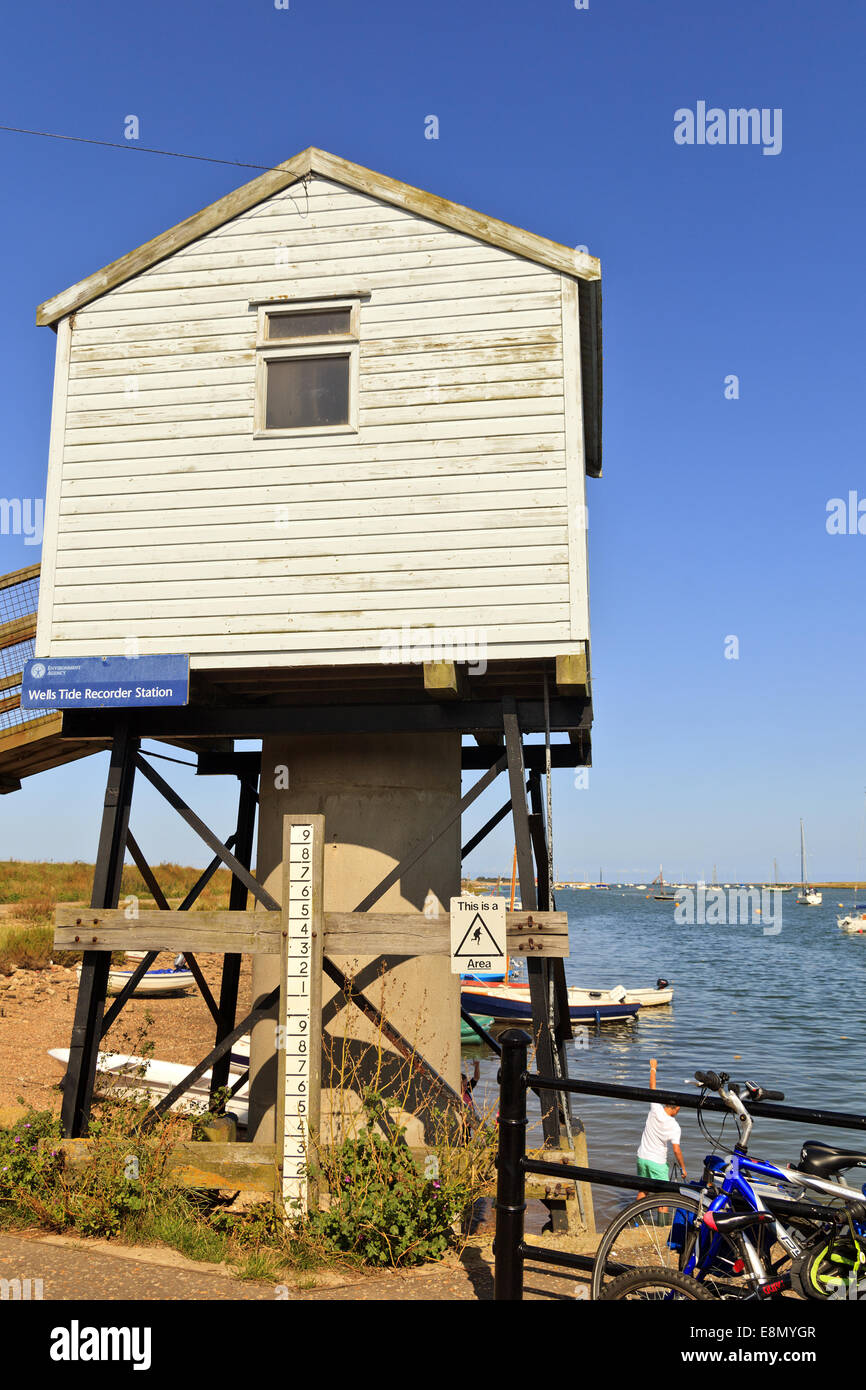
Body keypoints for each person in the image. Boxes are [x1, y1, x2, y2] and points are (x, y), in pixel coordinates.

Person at [636, 1056, 686, 1198]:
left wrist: (653, 1068)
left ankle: (634, 1219)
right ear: (675, 1108)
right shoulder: (674, 1126)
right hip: (657, 1162)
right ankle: (662, 1222)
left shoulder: (655, 1108)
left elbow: (652, 1087)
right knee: (664, 1196)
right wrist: (683, 1167)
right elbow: (676, 1150)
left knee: (643, 1190)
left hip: (642, 1157)